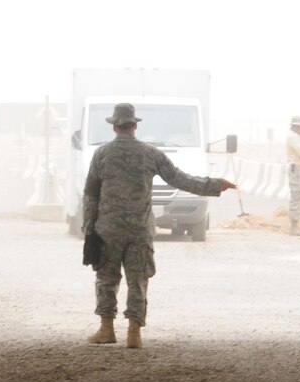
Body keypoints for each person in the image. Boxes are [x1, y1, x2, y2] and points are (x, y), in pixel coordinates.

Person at [82, 102, 235, 347]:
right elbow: (180, 179)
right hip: (140, 230)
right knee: (138, 280)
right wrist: (215, 185)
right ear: (134, 126)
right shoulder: (150, 154)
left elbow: (90, 194)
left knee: (107, 279)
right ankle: (134, 334)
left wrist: (89, 229)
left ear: (114, 128)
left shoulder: (102, 154)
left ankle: (106, 329)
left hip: (108, 230)